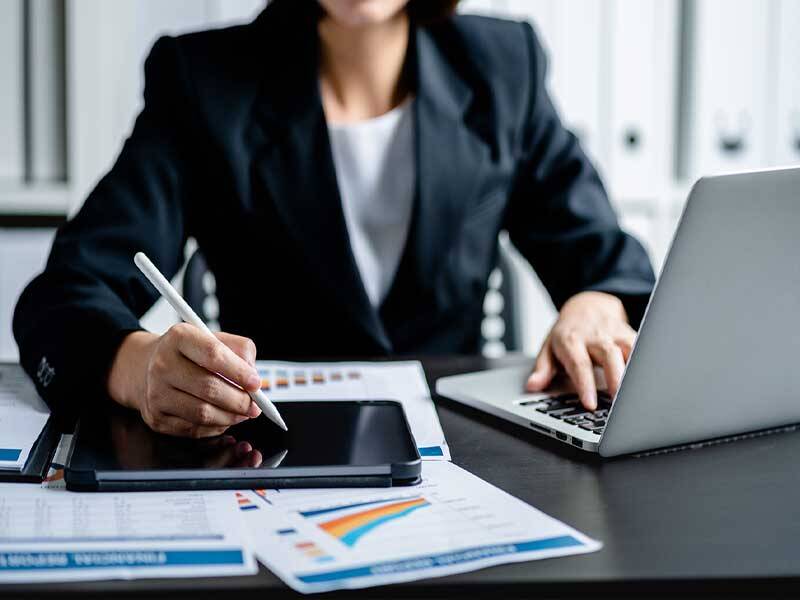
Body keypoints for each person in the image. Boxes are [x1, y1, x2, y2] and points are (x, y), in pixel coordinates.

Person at [14, 0, 655, 438]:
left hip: (462, 451)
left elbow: (609, 263)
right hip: (271, 446)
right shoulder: (205, 81)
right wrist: (136, 366)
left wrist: (597, 303)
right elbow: (64, 297)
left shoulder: (501, 65)